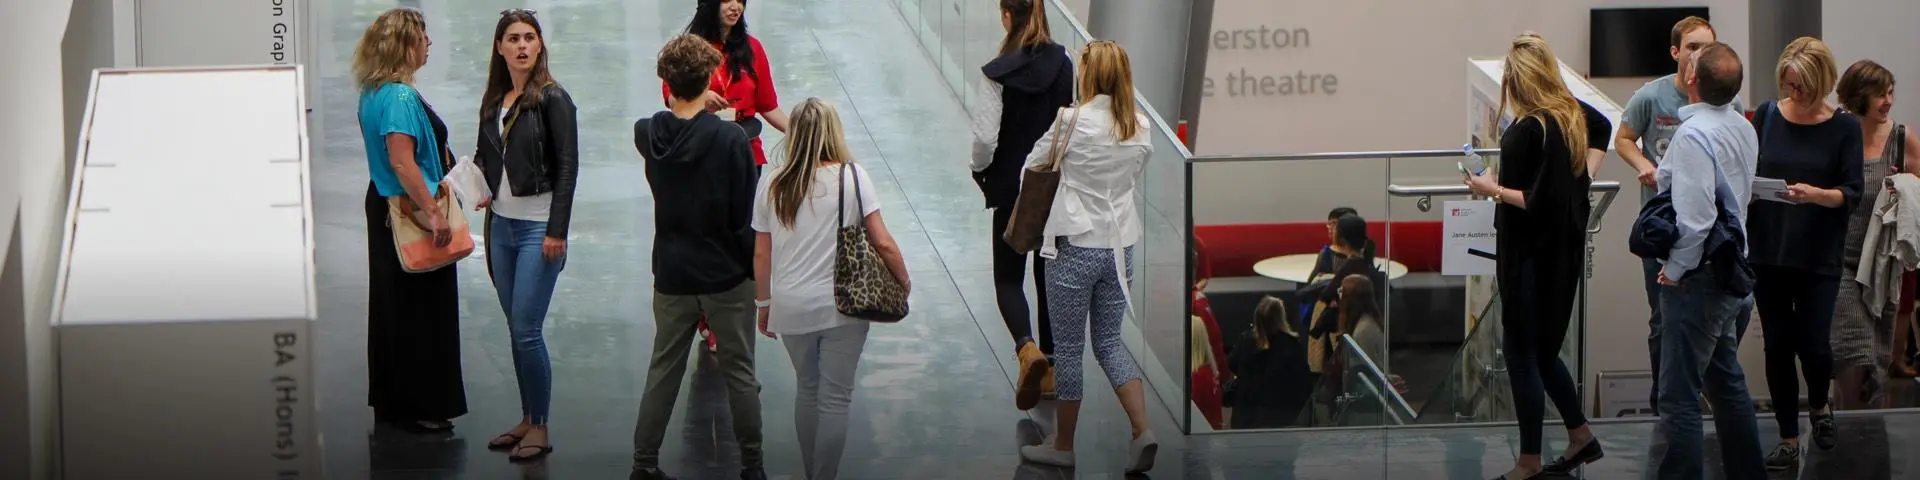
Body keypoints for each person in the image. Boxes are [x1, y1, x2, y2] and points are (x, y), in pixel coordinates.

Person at [1015, 40, 1157, 474]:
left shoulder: (1069, 121)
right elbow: (1133, 174)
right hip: (1121, 248)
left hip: (1074, 247)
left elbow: (1031, 167)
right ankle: (1142, 431)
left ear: (1089, 74)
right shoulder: (1140, 125)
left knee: (1071, 350)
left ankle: (1063, 446)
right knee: (1111, 342)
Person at [1463, 33, 1599, 480]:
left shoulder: (1532, 128)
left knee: (1522, 353)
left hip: (1530, 258)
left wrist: (1491, 189)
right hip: (1559, 256)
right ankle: (1579, 435)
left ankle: (1529, 461)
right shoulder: (1571, 119)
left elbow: (1539, 201)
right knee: (1541, 352)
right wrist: (1584, 181)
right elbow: (1602, 129)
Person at [750, 98, 910, 480]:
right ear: (833, 132)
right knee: (836, 397)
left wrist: (764, 303)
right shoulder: (852, 177)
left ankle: (811, 473)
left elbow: (761, 251)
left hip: (790, 305)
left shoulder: (772, 182)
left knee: (807, 389)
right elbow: (883, 242)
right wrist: (903, 280)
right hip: (845, 305)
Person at [630, 34, 765, 480]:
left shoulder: (648, 133)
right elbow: (741, 214)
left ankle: (644, 464)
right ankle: (751, 465)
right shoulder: (729, 139)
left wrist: (691, 103)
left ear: (666, 82)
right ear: (710, 78)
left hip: (671, 270)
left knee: (663, 369)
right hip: (724, 272)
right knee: (739, 371)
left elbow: (664, 121)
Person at [1648, 42, 1767, 480]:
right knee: (1725, 382)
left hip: (1698, 278)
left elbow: (1695, 221)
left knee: (1679, 396)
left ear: (1692, 79)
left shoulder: (1694, 135)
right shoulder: (1743, 127)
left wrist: (1675, 270)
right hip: (1732, 271)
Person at [1614, 17, 1743, 415]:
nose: (1698, 55)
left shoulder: (1729, 107)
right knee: (1663, 320)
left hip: (1711, 236)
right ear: (1675, 52)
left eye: (1706, 47)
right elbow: (1622, 137)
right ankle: (1664, 405)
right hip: (1663, 229)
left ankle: (1697, 402)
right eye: (1691, 47)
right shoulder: (1650, 97)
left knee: (1720, 329)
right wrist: (1643, 166)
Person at [1745, 36, 1864, 469]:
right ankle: (1789, 437)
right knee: (1777, 345)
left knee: (1813, 345)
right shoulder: (1767, 115)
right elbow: (1749, 171)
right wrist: (1752, 193)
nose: (1795, 95)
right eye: (1790, 85)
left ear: (1822, 83)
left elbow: (1852, 194)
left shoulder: (1844, 127)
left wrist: (1817, 194)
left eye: (1803, 88)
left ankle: (1819, 405)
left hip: (1818, 254)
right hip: (1768, 249)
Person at [352, 6, 468, 435]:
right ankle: (422, 402)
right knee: (424, 309)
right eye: (423, 36)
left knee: (392, 305)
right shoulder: (400, 97)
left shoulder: (372, 92)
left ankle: (393, 399)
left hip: (384, 205)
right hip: (409, 208)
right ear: (406, 45)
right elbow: (403, 163)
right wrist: (434, 213)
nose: (429, 43)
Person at [472, 9, 578, 461]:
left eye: (529, 38)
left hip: (538, 230)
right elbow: (484, 154)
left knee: (527, 330)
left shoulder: (554, 98)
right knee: (516, 330)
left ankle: (541, 425)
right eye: (512, 38)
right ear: (499, 47)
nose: (521, 46)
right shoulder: (496, 98)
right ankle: (526, 415)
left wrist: (557, 231)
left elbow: (569, 167)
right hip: (500, 227)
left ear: (539, 46)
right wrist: (471, 184)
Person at [969, 0, 1075, 411]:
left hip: (1013, 187)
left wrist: (980, 172)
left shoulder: (996, 72)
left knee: (1008, 279)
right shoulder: (1064, 61)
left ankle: (1026, 349)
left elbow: (984, 140)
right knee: (1048, 274)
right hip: (1053, 187)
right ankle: (1051, 366)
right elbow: (1070, 119)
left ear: (1007, 16)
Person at [678, 0, 789, 353]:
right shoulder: (689, 48)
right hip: (701, 153)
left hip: (743, 155)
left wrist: (807, 136)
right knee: (706, 234)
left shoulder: (752, 49)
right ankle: (704, 314)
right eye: (727, 0)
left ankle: (728, 318)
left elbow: (768, 105)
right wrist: (700, 98)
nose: (735, 6)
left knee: (742, 235)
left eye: (740, 0)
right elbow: (672, 99)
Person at [1833, 60, 1920, 409]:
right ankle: (1843, 436)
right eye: (1879, 95)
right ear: (1857, 97)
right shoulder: (1838, 134)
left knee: (1877, 362)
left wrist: (1905, 192)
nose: (1888, 102)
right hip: (1841, 263)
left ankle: (1863, 443)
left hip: (1884, 267)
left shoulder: (1902, 139)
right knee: (1852, 354)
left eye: (1890, 93)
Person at [1227, 296, 1312, 429]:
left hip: (1246, 415)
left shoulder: (1246, 339)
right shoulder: (1291, 345)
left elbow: (1232, 363)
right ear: (1281, 317)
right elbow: (1304, 381)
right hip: (1280, 417)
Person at [1307, 206, 1359, 280]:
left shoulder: (1362, 252)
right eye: (1329, 223)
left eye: (1335, 223)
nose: (1330, 227)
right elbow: (1313, 282)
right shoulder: (1327, 252)